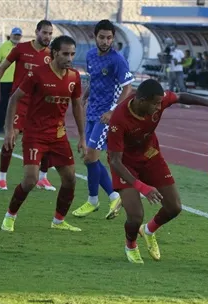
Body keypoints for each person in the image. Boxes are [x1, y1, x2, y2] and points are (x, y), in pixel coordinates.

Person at [105, 79, 208, 264]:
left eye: (160, 102)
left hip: (150, 156)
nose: (158, 107)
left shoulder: (158, 100)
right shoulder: (119, 119)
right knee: (135, 216)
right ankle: (131, 245)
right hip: (125, 165)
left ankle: (148, 230)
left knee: (174, 207)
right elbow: (115, 161)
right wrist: (142, 187)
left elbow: (180, 96)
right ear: (142, 101)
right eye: (155, 104)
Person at [0, 35, 86, 233]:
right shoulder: (37, 74)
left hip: (58, 135)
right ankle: (9, 217)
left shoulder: (74, 77)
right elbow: (14, 99)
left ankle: (58, 221)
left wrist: (82, 137)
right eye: (65, 54)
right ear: (55, 53)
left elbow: (77, 106)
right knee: (31, 180)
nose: (70, 58)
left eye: (72, 54)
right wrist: (9, 129)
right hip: (35, 134)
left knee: (70, 179)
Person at [70, 20, 133, 220]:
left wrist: (113, 111)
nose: (105, 41)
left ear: (113, 39)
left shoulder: (117, 60)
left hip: (106, 116)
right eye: (102, 37)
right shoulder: (90, 55)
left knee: (90, 157)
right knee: (90, 159)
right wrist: (85, 95)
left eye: (109, 38)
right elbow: (95, 79)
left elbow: (128, 87)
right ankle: (113, 196)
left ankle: (93, 200)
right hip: (92, 112)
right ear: (95, 37)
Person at [0, 20, 55, 192]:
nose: (47, 36)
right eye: (44, 33)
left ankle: (43, 178)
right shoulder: (21, 49)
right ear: (37, 32)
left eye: (50, 34)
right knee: (11, 137)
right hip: (19, 102)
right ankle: (2, 178)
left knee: (48, 140)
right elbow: (2, 67)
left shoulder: (51, 54)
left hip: (39, 105)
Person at [0, 27, 23, 133]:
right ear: (11, 35)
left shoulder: (23, 48)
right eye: (15, 35)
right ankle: (1, 126)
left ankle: (17, 126)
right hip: (6, 80)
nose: (16, 37)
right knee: (4, 104)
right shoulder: (4, 46)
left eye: (18, 35)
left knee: (19, 105)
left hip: (19, 81)